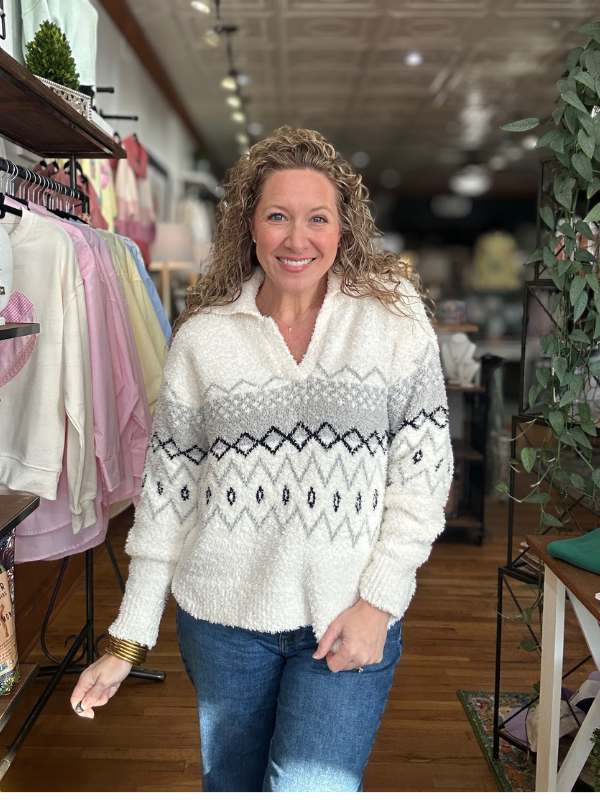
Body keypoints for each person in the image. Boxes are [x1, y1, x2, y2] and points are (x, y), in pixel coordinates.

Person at [70, 126, 452, 792]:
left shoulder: (395, 325)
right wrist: (127, 640)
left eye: (316, 218)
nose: (296, 239)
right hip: (221, 626)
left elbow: (422, 478)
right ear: (249, 225)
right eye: (277, 216)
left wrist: (380, 604)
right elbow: (166, 500)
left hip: (346, 619)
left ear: (344, 229)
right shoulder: (204, 341)